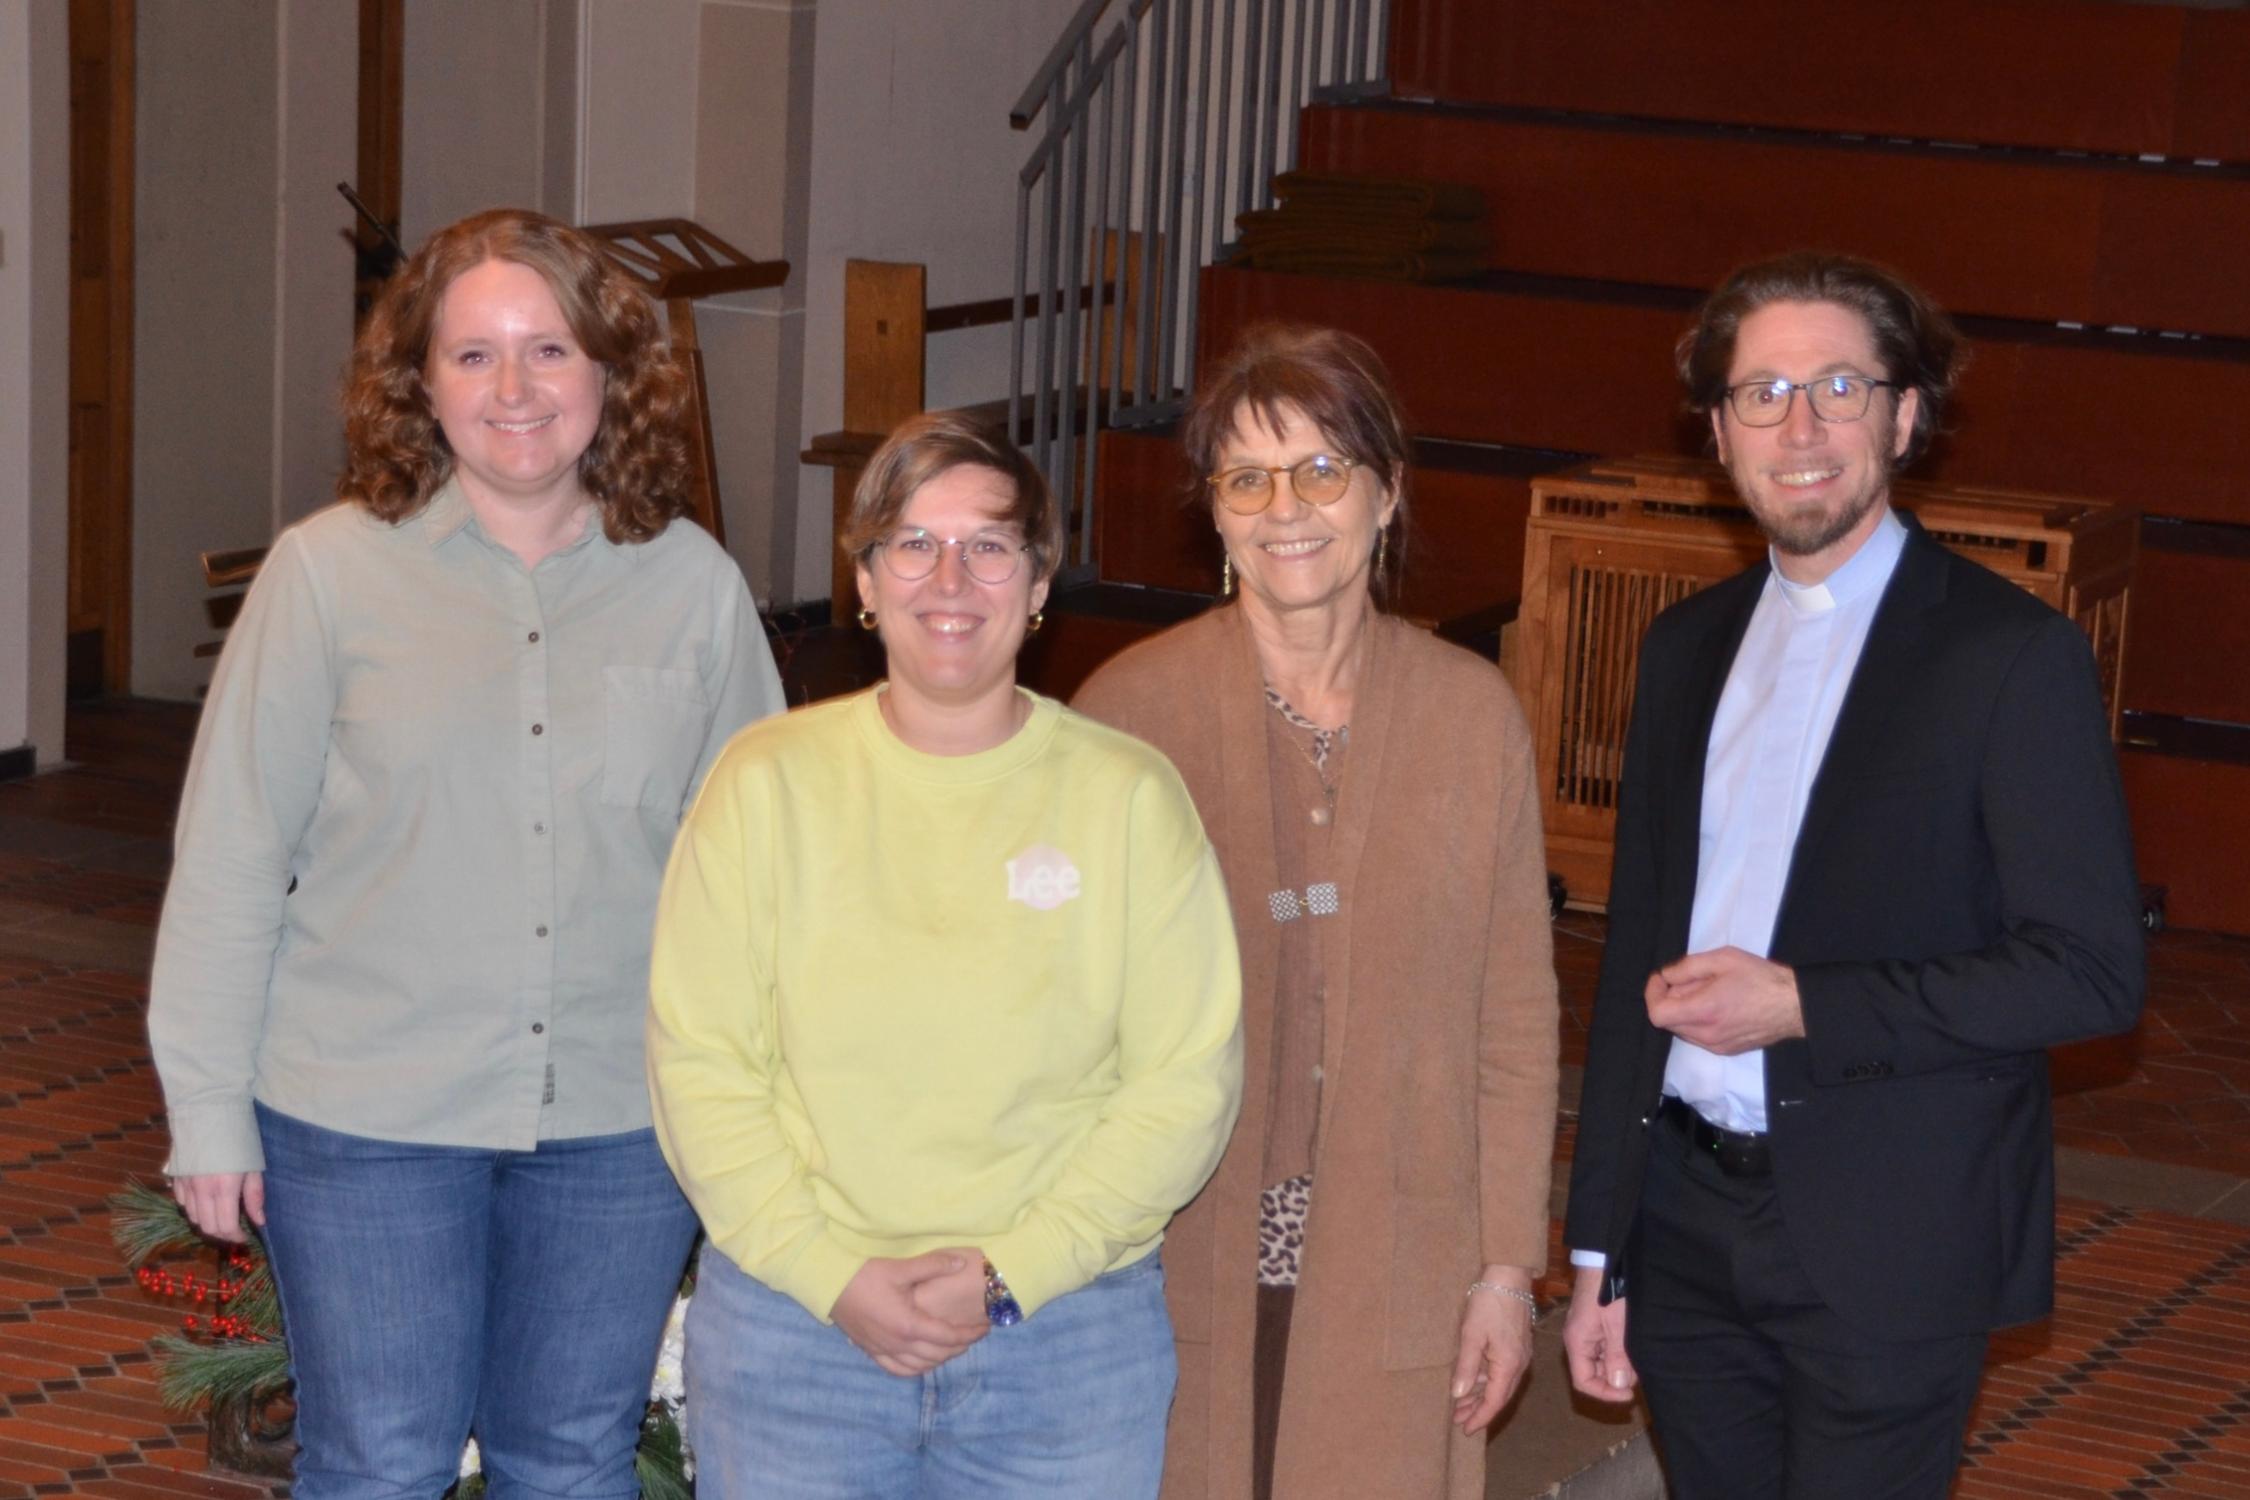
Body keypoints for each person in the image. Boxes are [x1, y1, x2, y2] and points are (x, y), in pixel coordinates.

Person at [146, 207, 786, 1499]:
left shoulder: (692, 587)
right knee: (381, 1463)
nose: (515, 391)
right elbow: (230, 856)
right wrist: (208, 1109)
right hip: (366, 1116)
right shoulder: (326, 578)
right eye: (473, 355)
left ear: (611, 374)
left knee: (571, 1461)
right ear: (417, 385)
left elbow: (761, 872)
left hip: (619, 1118)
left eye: (549, 351)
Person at [1560, 251, 2146, 1499]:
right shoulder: (1684, 648)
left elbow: (2090, 974)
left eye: (1839, 384)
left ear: (1906, 413)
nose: (1803, 425)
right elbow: (1632, 968)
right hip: (1683, 1216)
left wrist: (1806, 1003)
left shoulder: (2009, 656)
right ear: (1719, 433)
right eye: (1762, 393)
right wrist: (1601, 1241)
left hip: (1889, 1230)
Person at [645, 409, 1244, 1500]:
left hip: (1064, 1347)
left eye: (989, 545)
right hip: (796, 1342)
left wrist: (1014, 1276)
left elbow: (1184, 1080)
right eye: (913, 544)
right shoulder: (763, 782)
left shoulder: (1127, 797)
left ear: (1040, 579)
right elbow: (699, 1063)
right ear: (864, 582)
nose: (950, 578)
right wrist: (833, 1276)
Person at [1074, 323, 1561, 1500]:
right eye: (1248, 477)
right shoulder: (1130, 713)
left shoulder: (1470, 713)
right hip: (1178, 1242)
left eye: (1322, 471)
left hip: (1403, 1244)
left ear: (1386, 494)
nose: (1286, 507)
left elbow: (1514, 1016)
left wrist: (1506, 1269)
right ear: (1216, 511)